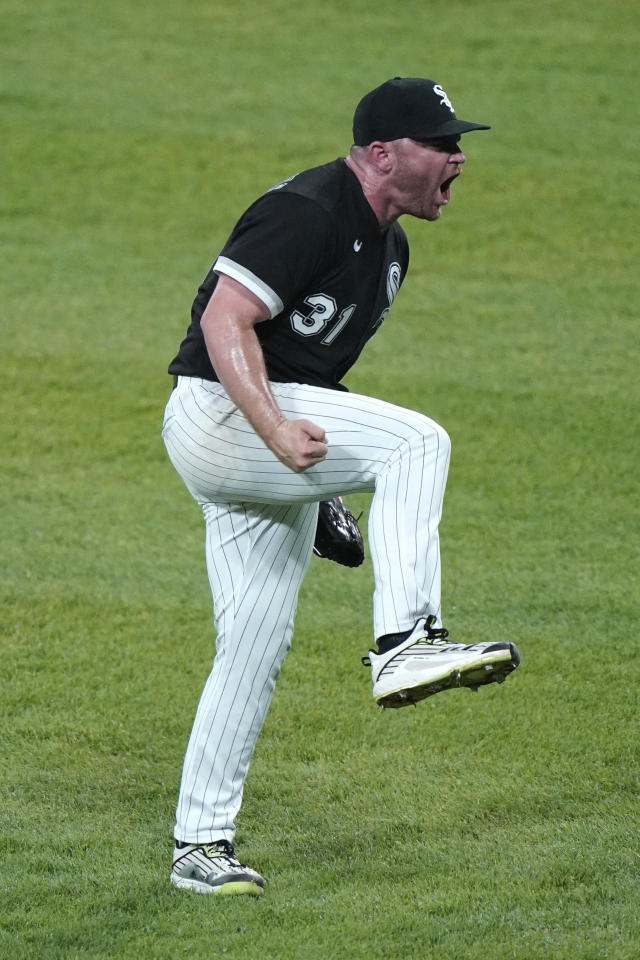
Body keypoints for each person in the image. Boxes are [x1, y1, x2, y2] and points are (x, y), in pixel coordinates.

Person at [162, 76, 520, 897]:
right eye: (442, 143)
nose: (458, 157)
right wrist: (280, 436)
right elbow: (224, 323)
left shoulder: (392, 250)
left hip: (254, 431)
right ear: (384, 153)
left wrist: (318, 483)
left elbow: (310, 375)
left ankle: (199, 847)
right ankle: (405, 644)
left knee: (251, 646)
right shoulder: (311, 210)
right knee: (418, 442)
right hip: (220, 414)